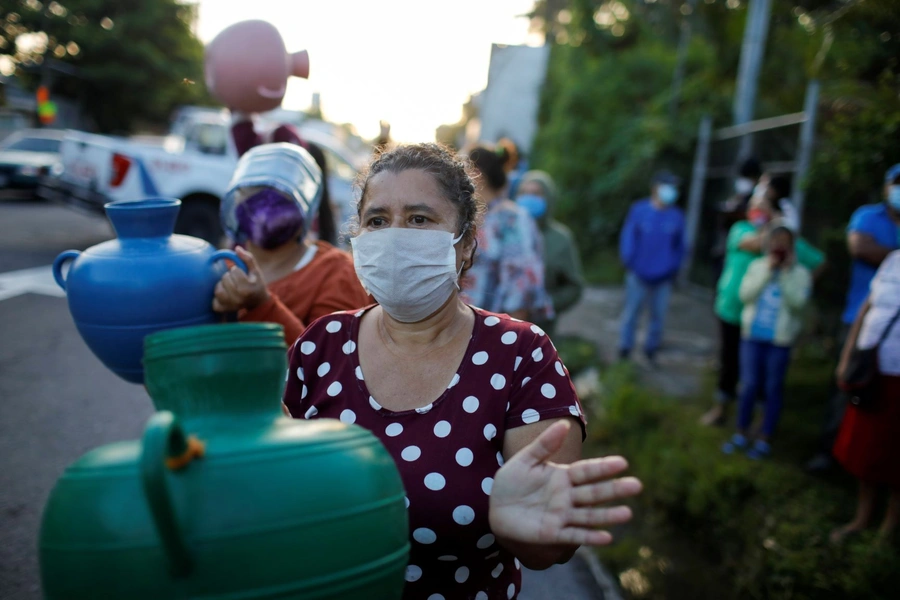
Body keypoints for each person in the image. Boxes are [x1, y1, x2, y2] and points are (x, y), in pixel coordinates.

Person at [282, 143, 642, 599]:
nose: (394, 236)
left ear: (467, 241)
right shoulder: (320, 343)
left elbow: (545, 547)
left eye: (419, 219)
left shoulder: (521, 354)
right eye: (377, 220)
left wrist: (525, 532)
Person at [212, 143, 371, 343]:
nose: (265, 210)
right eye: (255, 191)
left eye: (277, 195)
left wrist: (262, 304)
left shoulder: (335, 272)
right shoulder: (223, 268)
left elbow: (329, 361)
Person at [700, 175, 825, 426]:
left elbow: (818, 261)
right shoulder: (742, 230)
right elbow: (755, 244)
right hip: (731, 309)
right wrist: (777, 229)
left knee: (759, 374)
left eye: (762, 206)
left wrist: (800, 282)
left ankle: (756, 420)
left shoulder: (784, 240)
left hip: (764, 321)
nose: (756, 210)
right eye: (754, 205)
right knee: (729, 363)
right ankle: (722, 408)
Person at [806, 164, 900, 473]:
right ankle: (830, 454)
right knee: (847, 385)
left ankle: (865, 464)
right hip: (858, 321)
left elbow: (873, 251)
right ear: (887, 186)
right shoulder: (867, 216)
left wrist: (883, 251)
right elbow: (860, 247)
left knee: (883, 402)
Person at [721, 223, 811, 459]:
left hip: (779, 342)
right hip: (752, 337)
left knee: (772, 388)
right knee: (749, 385)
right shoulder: (757, 266)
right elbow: (745, 295)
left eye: (784, 243)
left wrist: (785, 274)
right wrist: (768, 271)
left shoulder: (800, 274)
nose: (779, 247)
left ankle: (764, 436)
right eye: (775, 242)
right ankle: (740, 432)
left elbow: (798, 304)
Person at [830, 250, 900, 543]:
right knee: (865, 448)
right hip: (872, 371)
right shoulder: (893, 260)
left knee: (896, 452)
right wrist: (847, 356)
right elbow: (865, 310)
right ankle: (862, 518)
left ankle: (888, 530)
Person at [462, 143, 554, 322]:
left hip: (493, 333)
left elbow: (521, 289)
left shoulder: (513, 220)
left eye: (461, 169)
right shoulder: (467, 217)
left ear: (476, 174)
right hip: (463, 329)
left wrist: (509, 343)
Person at [617, 170, 686, 365]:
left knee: (658, 317)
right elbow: (628, 239)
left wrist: (672, 268)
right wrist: (630, 263)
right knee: (631, 313)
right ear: (656, 188)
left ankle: (651, 350)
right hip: (638, 275)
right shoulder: (639, 210)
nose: (672, 191)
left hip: (663, 278)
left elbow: (681, 247)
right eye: (668, 186)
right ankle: (625, 349)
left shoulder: (676, 216)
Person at [515, 170, 585, 336]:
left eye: (536, 194)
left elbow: (574, 287)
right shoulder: (504, 233)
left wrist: (546, 305)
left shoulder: (561, 239)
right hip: (500, 327)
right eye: (524, 193)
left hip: (542, 332)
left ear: (548, 198)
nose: (528, 198)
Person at [711, 157, 763, 282]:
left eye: (748, 177)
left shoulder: (759, 201)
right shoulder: (737, 199)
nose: (743, 181)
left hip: (744, 257)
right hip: (726, 253)